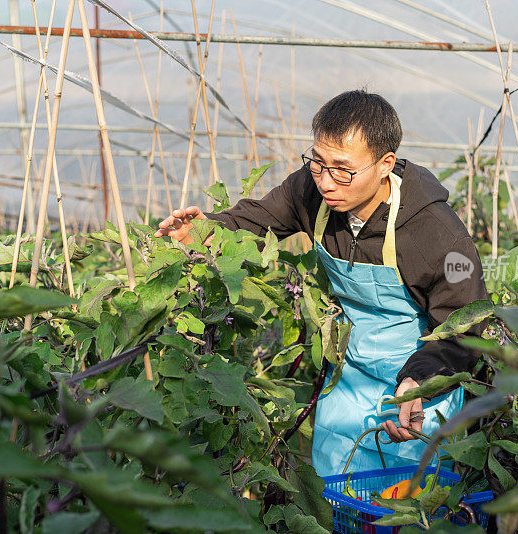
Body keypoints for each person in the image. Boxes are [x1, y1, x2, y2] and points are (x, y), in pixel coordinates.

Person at [154, 90, 487, 477]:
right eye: (318, 162)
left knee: (410, 497)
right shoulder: (312, 191)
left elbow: (464, 328)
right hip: (350, 374)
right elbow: (259, 219)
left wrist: (418, 382)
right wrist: (208, 230)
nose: (327, 182)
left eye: (343, 169)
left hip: (419, 378)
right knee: (336, 487)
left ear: (385, 165)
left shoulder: (439, 235)